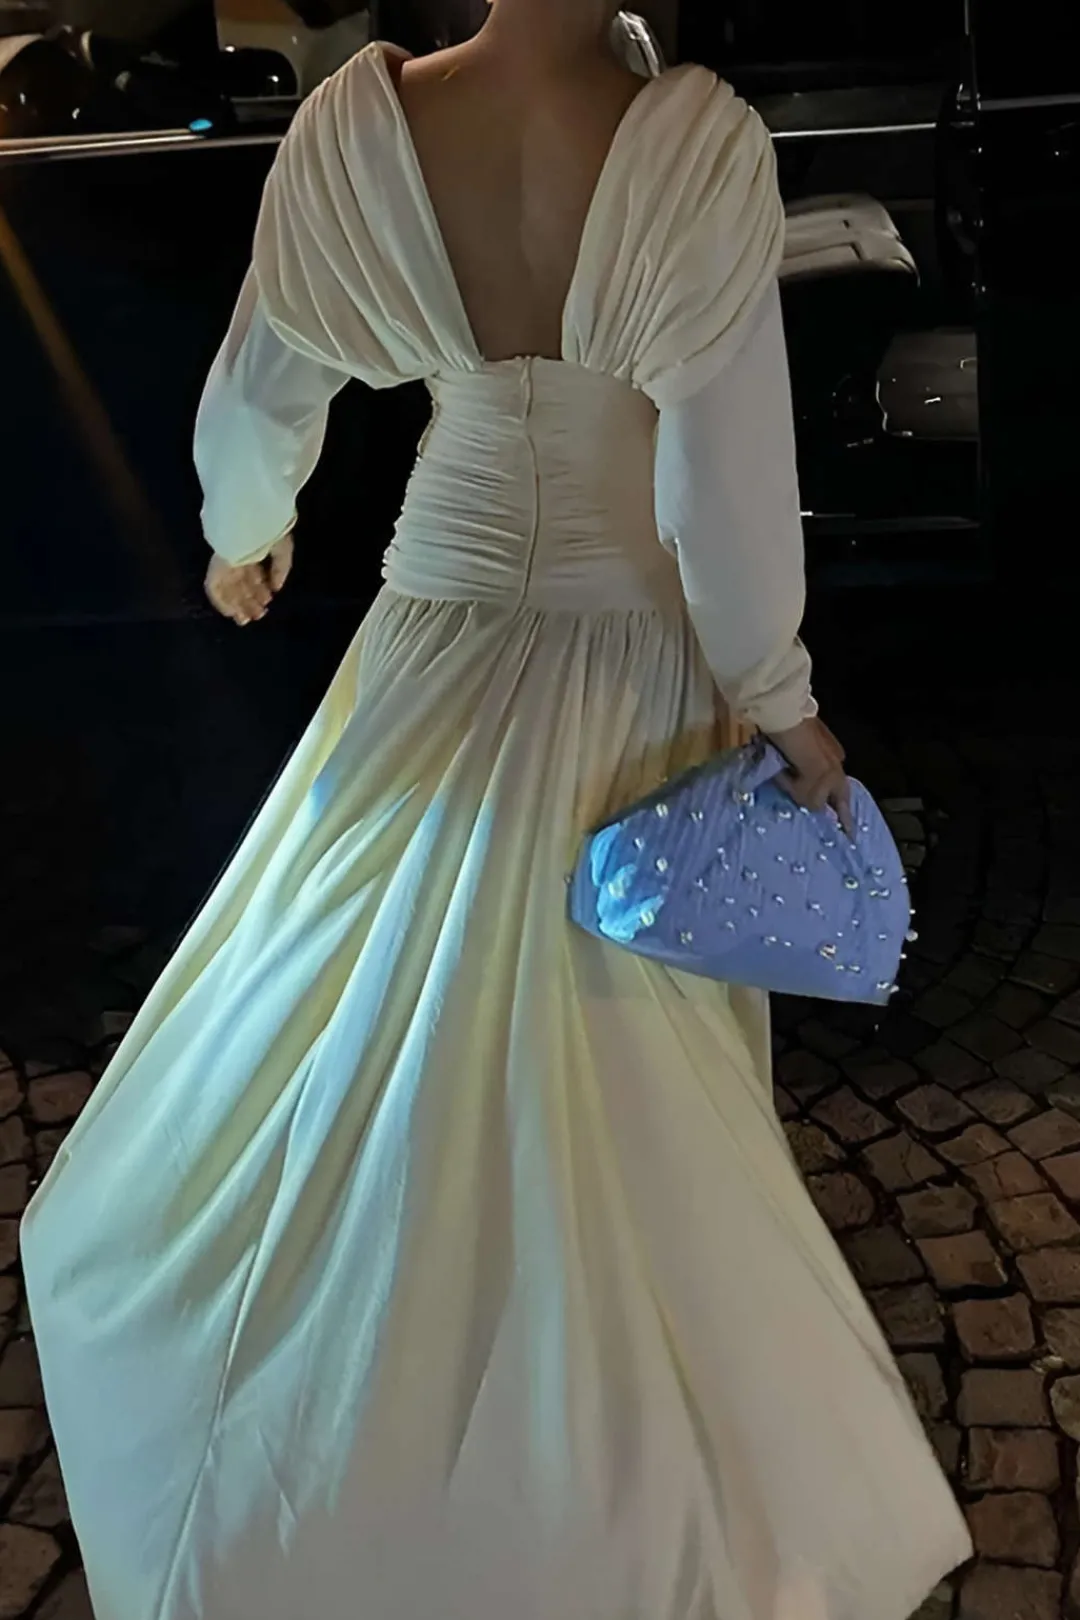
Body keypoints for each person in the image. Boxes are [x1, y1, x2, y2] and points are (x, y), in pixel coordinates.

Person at [20, 2, 973, 1617]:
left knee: (342, 1007)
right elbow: (720, 483)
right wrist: (780, 695)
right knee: (626, 1060)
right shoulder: (694, 139)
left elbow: (263, 387)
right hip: (633, 652)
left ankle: (333, 1466)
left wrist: (243, 530)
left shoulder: (357, 129)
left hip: (439, 634)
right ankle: (604, 1485)